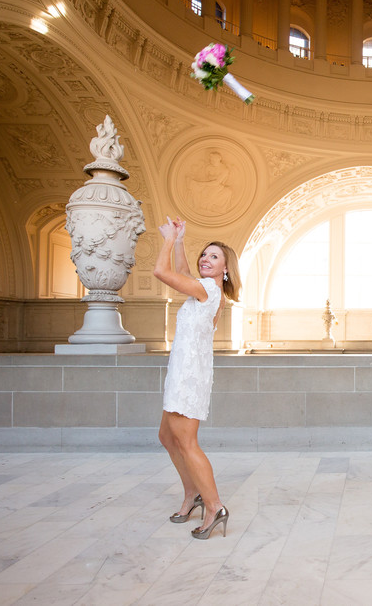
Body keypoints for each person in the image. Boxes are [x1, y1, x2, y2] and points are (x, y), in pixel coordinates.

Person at [153, 216, 241, 539]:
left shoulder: (207, 291)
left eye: (213, 256)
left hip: (189, 375)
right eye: (204, 254)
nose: (206, 258)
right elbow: (184, 275)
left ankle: (215, 506)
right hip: (185, 369)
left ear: (226, 269)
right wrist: (180, 243)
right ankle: (192, 495)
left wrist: (166, 238)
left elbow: (163, 273)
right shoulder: (208, 290)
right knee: (167, 435)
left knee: (187, 442)